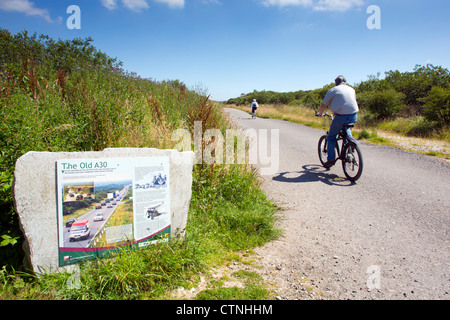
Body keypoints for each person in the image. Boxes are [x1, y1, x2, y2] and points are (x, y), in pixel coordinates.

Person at [317, 76, 359, 168]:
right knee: (346, 128)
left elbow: (324, 104)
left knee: (331, 137)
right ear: (345, 83)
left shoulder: (333, 90)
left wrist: (320, 114)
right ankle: (350, 143)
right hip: (353, 115)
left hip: (340, 117)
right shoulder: (352, 89)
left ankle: (331, 159)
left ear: (336, 83)